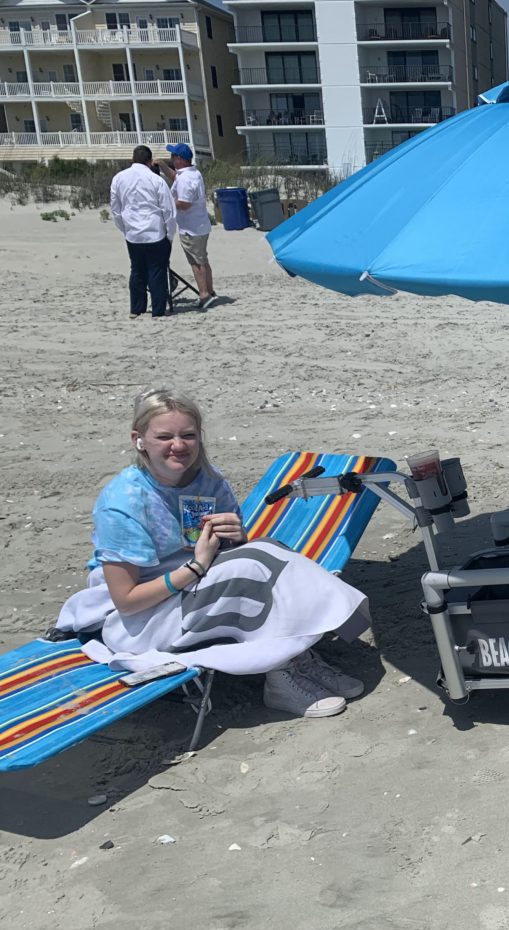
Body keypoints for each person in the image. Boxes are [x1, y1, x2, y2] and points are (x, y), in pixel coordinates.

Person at [56, 389, 369, 718]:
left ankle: (296, 657)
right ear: (139, 439)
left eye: (187, 435)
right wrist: (197, 565)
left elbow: (231, 551)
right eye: (164, 436)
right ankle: (281, 676)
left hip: (195, 590)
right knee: (251, 569)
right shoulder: (124, 503)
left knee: (267, 550)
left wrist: (237, 538)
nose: (178, 445)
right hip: (140, 620)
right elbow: (126, 600)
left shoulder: (207, 480)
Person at [109, 145, 177, 319]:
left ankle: (137, 308)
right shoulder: (156, 180)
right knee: (157, 271)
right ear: (150, 161)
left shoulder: (119, 178)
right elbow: (168, 211)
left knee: (137, 270)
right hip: (154, 232)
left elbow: (116, 210)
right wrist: (169, 235)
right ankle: (158, 310)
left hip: (133, 233)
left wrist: (125, 229)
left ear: (133, 159)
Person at [158, 143, 217, 310]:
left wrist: (166, 203)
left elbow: (184, 203)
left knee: (197, 263)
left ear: (179, 159)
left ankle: (204, 294)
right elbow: (176, 177)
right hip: (199, 225)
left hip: (191, 228)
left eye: (173, 157)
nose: (171, 159)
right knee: (202, 260)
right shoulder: (191, 173)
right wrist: (162, 166)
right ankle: (210, 291)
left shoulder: (186, 178)